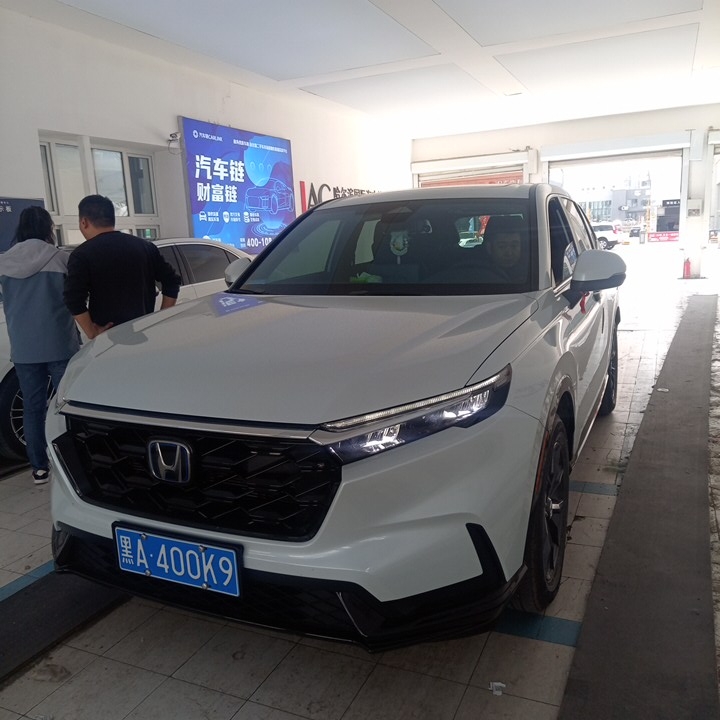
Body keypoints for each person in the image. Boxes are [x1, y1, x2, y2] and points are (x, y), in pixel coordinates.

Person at [0, 206, 80, 484]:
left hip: (24, 349)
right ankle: (72, 463)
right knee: (67, 406)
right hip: (60, 344)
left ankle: (39, 468)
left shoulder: (4, 262)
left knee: (32, 408)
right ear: (48, 228)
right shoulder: (61, 259)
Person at [64, 195, 181, 339]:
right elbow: (172, 281)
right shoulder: (145, 247)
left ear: (84, 222)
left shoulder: (82, 255)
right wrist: (160, 319)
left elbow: (73, 298)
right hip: (144, 333)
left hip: (108, 338)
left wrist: (92, 332)